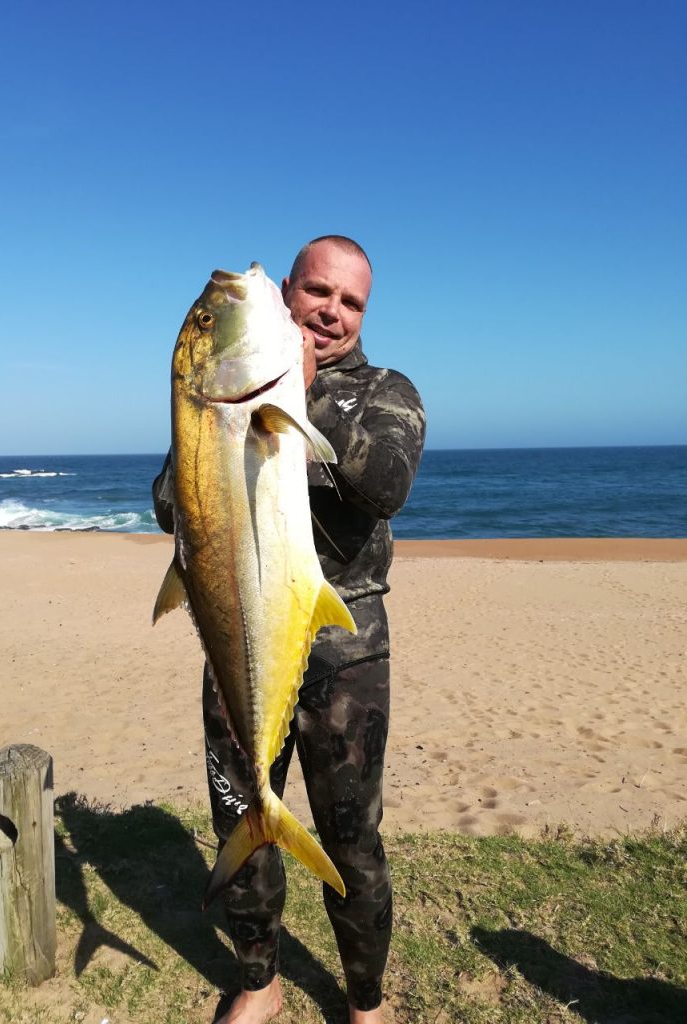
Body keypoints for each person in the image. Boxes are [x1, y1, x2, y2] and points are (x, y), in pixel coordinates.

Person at [153, 236, 426, 1024]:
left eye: (351, 302)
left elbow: (386, 485)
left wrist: (298, 398)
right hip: (237, 642)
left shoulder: (386, 391)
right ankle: (259, 981)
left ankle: (365, 1002)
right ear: (289, 295)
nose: (331, 312)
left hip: (346, 656)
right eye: (318, 292)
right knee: (243, 817)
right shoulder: (228, 383)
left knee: (352, 841)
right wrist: (209, 423)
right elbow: (171, 505)